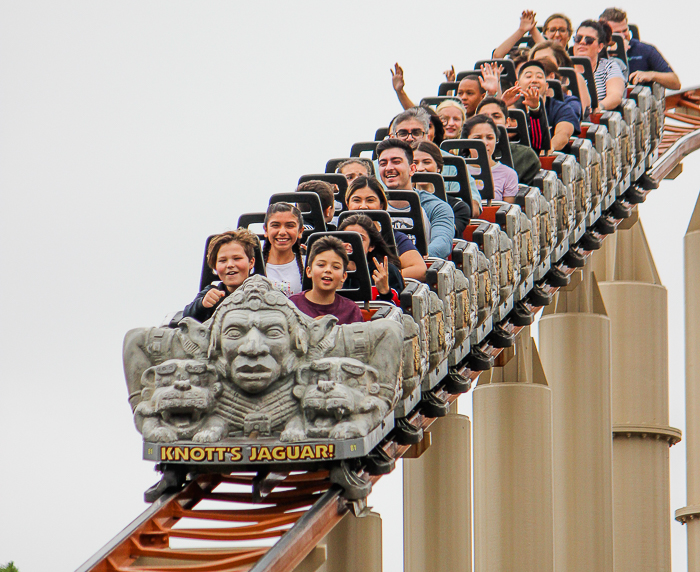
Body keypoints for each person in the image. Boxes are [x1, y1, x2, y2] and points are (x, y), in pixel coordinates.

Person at [388, 106, 482, 215]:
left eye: (416, 132)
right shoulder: (380, 165)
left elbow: (473, 206)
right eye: (403, 133)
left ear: (428, 136)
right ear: (393, 137)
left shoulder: (452, 163)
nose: (410, 138)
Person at [377, 138, 455, 259]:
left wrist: (412, 262)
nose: (388, 168)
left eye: (396, 162)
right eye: (383, 164)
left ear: (412, 169)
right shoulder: (373, 206)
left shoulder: (436, 207)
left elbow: (442, 244)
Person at [345, 175, 427, 281]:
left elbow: (420, 270)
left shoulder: (395, 238)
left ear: (381, 205)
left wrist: (381, 278)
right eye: (357, 200)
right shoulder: (338, 237)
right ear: (347, 204)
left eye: (370, 200)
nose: (363, 206)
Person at [182, 229, 258, 323]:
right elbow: (186, 316)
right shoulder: (211, 293)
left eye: (237, 258)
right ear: (215, 267)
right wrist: (202, 304)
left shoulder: (264, 292)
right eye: (223, 261)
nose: (230, 265)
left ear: (251, 263)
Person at [504, 59, 580, 153]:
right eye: (528, 76)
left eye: (539, 77)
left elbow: (564, 134)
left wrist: (549, 148)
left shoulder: (562, 108)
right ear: (517, 84)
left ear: (547, 85)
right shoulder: (511, 107)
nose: (534, 80)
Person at [599, 7, 681, 90]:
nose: (623, 36)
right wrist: (612, 55)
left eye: (625, 31)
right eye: (617, 33)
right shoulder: (595, 52)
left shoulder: (644, 50)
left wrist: (651, 75)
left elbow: (675, 83)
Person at [289, 236, 363, 325]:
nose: (328, 270)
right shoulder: (293, 305)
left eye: (336, 267)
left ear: (343, 276)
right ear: (309, 271)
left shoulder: (351, 310)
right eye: (321, 265)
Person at [338, 213, 404, 305]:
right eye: (345, 239)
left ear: (371, 246)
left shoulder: (386, 272)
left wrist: (385, 291)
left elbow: (396, 311)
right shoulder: (331, 270)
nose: (350, 243)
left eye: (359, 238)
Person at [412, 140, 472, 238]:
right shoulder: (401, 203)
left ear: (438, 167)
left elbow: (447, 235)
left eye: (427, 162)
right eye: (415, 163)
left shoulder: (458, 208)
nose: (420, 168)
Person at [475, 96, 541, 185]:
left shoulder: (525, 156)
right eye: (484, 117)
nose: (490, 121)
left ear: (507, 122)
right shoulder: (467, 153)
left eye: (496, 116)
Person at [462, 115, 519, 203]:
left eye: (489, 138)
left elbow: (508, 212)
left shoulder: (509, 174)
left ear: (496, 140)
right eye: (477, 138)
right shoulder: (457, 171)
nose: (484, 143)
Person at [573, 20, 625, 111]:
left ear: (600, 47)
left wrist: (599, 107)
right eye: (578, 38)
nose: (582, 42)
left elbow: (615, 95)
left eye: (588, 40)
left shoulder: (609, 67)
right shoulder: (563, 67)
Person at [529, 40, 591, 111]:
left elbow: (578, 113)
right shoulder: (532, 82)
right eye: (537, 61)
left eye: (546, 59)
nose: (541, 63)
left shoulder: (575, 78)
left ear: (559, 62)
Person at [263, 202, 304, 296]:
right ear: (266, 230)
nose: (282, 232)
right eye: (275, 225)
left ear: (300, 231)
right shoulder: (252, 266)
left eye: (290, 225)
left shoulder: (308, 265)